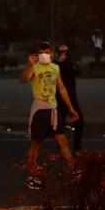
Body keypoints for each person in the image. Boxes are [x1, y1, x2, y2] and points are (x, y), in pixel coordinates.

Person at [19, 41, 79, 187]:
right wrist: (29, 65)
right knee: (36, 144)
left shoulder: (55, 68)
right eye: (41, 52)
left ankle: (73, 173)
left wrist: (71, 108)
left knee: (62, 142)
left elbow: (62, 88)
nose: (45, 55)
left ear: (51, 53)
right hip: (40, 110)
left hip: (54, 109)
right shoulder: (34, 67)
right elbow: (23, 80)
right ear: (37, 54)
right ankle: (31, 177)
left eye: (47, 52)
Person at [56, 43, 84, 152]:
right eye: (61, 52)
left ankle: (77, 146)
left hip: (71, 97)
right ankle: (62, 147)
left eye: (66, 52)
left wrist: (72, 63)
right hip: (59, 98)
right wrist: (59, 62)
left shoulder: (71, 63)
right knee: (60, 124)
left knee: (80, 122)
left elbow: (79, 72)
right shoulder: (55, 65)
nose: (64, 54)